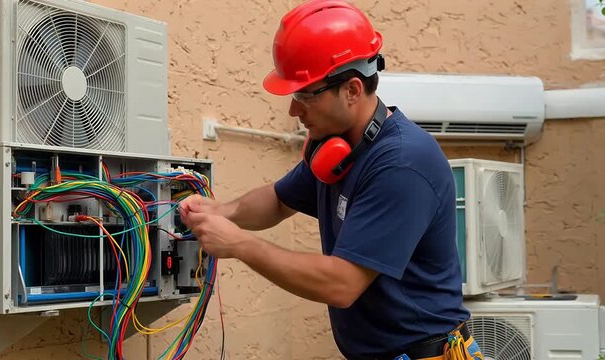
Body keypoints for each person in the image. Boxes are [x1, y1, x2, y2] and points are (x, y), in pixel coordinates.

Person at [179, 1, 484, 359]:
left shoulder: (401, 163)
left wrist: (239, 245)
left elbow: (342, 284)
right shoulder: (336, 148)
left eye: (305, 94)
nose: (294, 109)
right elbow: (279, 200)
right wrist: (221, 211)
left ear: (352, 90)